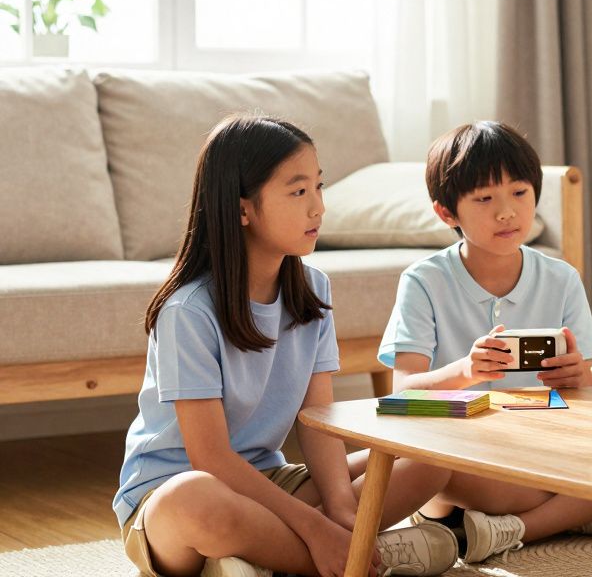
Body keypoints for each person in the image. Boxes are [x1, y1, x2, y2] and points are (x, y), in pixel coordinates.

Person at [113, 115, 459, 577]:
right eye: (298, 192)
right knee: (195, 501)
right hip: (174, 496)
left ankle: (261, 560)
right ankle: (360, 559)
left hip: (268, 482)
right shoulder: (188, 312)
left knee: (431, 454)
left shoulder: (311, 289)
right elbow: (210, 459)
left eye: (319, 187)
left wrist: (341, 512)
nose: (318, 207)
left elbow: (317, 424)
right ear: (242, 209)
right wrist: (316, 532)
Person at [379, 121, 592, 564]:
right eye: (484, 199)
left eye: (519, 193)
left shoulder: (560, 277)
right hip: (462, 457)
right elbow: (403, 392)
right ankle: (578, 515)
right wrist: (465, 371)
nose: (507, 212)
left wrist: (580, 374)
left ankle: (513, 528)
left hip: (543, 445)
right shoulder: (424, 281)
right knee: (450, 470)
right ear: (447, 213)